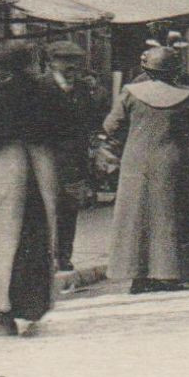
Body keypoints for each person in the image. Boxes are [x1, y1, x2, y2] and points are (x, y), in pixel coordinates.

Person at [103, 46, 189, 294]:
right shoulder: (187, 95)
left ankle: (137, 277)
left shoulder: (130, 92)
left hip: (136, 163)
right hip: (173, 161)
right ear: (174, 70)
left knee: (136, 218)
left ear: (146, 69)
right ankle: (169, 274)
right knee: (170, 217)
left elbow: (111, 126)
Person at [0, 42, 61, 336]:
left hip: (3, 170)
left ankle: (5, 311)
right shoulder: (46, 90)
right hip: (37, 170)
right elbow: (67, 126)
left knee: (2, 240)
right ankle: (32, 305)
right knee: (35, 241)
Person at [43, 40, 109, 272]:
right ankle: (47, 257)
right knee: (46, 210)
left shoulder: (82, 89)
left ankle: (63, 256)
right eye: (65, 62)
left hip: (74, 160)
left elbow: (93, 119)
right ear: (51, 63)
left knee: (69, 210)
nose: (72, 67)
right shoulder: (41, 87)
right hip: (46, 159)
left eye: (75, 62)